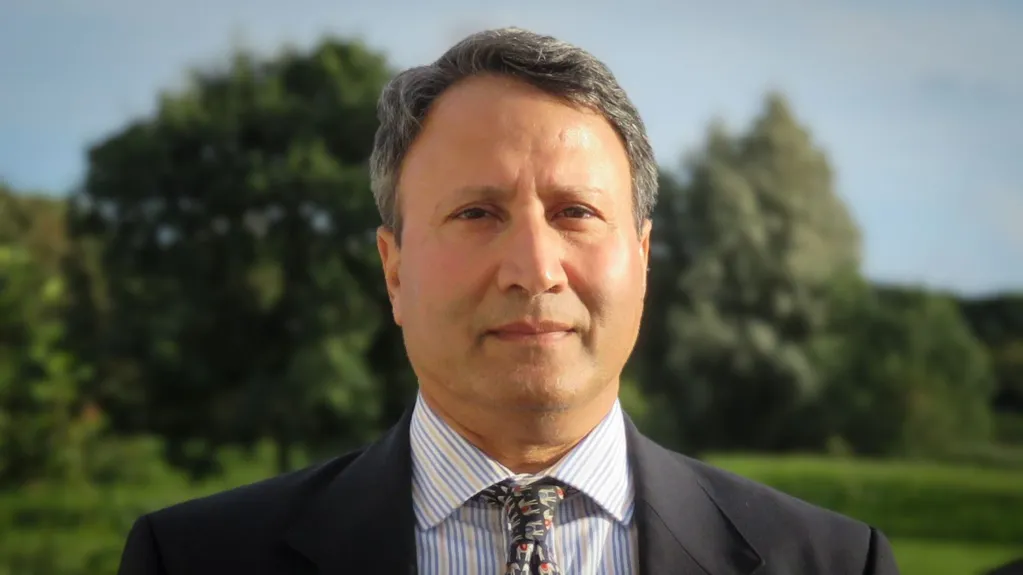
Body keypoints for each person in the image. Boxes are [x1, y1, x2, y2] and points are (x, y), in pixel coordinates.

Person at [117, 27, 900, 575]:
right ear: (393, 270)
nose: (534, 267)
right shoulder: (193, 559)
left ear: (643, 258)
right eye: (477, 213)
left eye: (575, 213)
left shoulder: (830, 562)